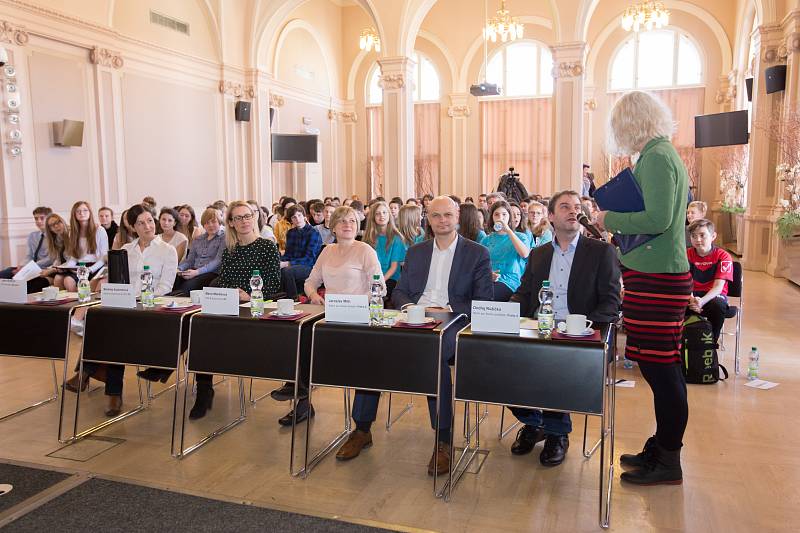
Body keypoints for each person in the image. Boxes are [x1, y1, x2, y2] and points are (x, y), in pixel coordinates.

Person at [336, 196, 493, 476]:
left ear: (457, 216)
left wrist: (445, 308)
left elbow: (483, 301)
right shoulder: (417, 252)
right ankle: (361, 429)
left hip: (452, 319)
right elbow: (399, 292)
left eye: (448, 215)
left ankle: (443, 439)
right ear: (427, 219)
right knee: (372, 347)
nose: (442, 220)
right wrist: (412, 309)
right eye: (436, 216)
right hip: (412, 316)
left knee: (433, 353)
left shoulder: (476, 253)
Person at [594, 90, 693, 486]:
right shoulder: (661, 154)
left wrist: (608, 217)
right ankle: (662, 446)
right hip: (654, 273)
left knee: (661, 368)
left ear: (631, 123)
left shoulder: (656, 157)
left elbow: (658, 217)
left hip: (658, 277)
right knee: (659, 366)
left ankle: (669, 457)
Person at [508, 190, 621, 466]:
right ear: (550, 217)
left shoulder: (600, 252)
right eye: (565, 206)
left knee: (553, 363)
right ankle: (535, 422)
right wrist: (503, 314)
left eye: (577, 207)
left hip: (578, 334)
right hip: (538, 327)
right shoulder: (539, 254)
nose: (573, 211)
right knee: (495, 360)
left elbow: (611, 302)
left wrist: (580, 326)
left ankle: (558, 432)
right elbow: (524, 295)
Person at [276, 206, 387, 426]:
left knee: (322, 337)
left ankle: (359, 423)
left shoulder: (365, 250)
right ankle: (301, 396)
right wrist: (313, 294)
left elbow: (380, 288)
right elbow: (310, 281)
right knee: (300, 332)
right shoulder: (327, 251)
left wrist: (355, 302)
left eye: (353, 221)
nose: (348, 225)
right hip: (330, 311)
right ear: (333, 226)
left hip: (359, 312)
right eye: (343, 221)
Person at [65, 203, 177, 416]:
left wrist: (143, 299)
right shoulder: (126, 250)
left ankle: (89, 377)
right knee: (104, 322)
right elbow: (119, 283)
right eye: (141, 223)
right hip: (125, 306)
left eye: (150, 221)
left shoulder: (167, 250)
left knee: (115, 331)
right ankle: (110, 391)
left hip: (150, 309)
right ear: (133, 227)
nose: (148, 226)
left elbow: (166, 287)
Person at [187, 201, 281, 419]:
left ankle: (202, 386)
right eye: (238, 218)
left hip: (254, 308)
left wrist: (250, 295)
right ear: (230, 223)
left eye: (247, 216)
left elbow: (274, 283)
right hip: (229, 305)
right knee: (199, 328)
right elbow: (224, 280)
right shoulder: (230, 250)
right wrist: (226, 294)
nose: (244, 221)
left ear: (254, 218)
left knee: (210, 330)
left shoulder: (267, 246)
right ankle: (204, 389)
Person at [686, 219, 733, 342]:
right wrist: (692, 300)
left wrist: (701, 302)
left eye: (702, 235)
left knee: (718, 306)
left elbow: (718, 287)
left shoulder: (723, 256)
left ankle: (711, 343)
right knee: (674, 304)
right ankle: (682, 343)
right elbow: (685, 282)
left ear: (713, 236)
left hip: (714, 296)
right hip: (691, 296)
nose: (698, 239)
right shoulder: (686, 255)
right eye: (693, 236)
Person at [480, 200, 531, 302]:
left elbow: (525, 254)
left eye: (504, 214)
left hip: (510, 281)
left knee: (488, 294)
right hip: (489, 280)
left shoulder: (521, 236)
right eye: (497, 215)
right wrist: (488, 274)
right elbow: (479, 264)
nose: (500, 218)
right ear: (492, 217)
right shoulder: (487, 239)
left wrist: (508, 230)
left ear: (509, 217)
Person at [56, 201, 109, 293]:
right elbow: (74, 256)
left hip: (95, 267)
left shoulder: (99, 230)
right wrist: (68, 267)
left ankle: (83, 304)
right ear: (74, 214)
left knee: (81, 284)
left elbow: (103, 258)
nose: (81, 213)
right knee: (67, 280)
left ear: (90, 213)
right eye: (78, 211)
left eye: (85, 210)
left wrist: (90, 270)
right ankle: (73, 305)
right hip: (79, 267)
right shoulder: (72, 232)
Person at [171, 207, 225, 295]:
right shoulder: (198, 239)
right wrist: (178, 269)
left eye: (213, 221)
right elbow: (190, 260)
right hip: (193, 271)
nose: (210, 225)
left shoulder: (224, 238)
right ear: (203, 225)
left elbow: (217, 261)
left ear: (219, 222)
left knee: (186, 288)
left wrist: (197, 272)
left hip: (211, 273)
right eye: (207, 223)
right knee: (174, 279)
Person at [0, 206, 53, 293]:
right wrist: (21, 266)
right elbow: (29, 255)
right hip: (30, 267)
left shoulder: (54, 237)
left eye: (42, 218)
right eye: (36, 218)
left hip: (43, 268)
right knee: (5, 274)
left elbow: (50, 259)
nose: (38, 221)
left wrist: (30, 267)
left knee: (24, 285)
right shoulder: (32, 236)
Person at [363, 201, 405, 300]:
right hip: (371, 276)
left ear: (389, 215)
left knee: (376, 294)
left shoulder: (397, 237)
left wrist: (379, 282)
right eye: (377, 213)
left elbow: (394, 267)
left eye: (384, 212)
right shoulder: (369, 237)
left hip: (390, 278)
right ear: (373, 217)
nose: (381, 216)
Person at [281, 204, 322, 293]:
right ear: (291, 220)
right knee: (276, 267)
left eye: (299, 215)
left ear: (304, 216)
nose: (297, 219)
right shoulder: (291, 233)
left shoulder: (313, 233)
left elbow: (309, 259)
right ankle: (276, 297)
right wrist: (279, 262)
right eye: (294, 217)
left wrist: (287, 263)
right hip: (294, 264)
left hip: (309, 266)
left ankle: (293, 298)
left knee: (287, 271)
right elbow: (288, 254)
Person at [38, 213, 70, 283]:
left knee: (42, 282)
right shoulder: (57, 238)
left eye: (57, 222)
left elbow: (71, 261)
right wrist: (49, 269)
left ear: (63, 222)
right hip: (60, 268)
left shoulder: (71, 235)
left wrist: (52, 270)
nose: (56, 226)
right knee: (35, 280)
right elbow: (58, 260)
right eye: (51, 226)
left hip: (70, 268)